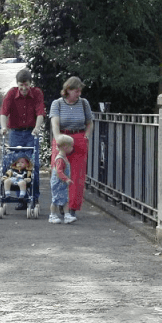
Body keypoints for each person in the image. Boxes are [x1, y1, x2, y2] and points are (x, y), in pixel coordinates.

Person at [0, 68, 46, 210]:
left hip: (31, 133)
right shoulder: (11, 94)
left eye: (26, 85)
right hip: (16, 133)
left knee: (33, 165)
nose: (24, 88)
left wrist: (37, 128)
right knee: (17, 165)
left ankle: (34, 197)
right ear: (17, 84)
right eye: (21, 85)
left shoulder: (37, 93)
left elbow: (40, 113)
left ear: (30, 83)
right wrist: (3, 127)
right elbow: (3, 112)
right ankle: (22, 198)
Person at [50, 76, 93, 223]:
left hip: (78, 138)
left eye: (80, 91)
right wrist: (58, 140)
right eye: (76, 91)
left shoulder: (83, 103)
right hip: (62, 138)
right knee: (59, 173)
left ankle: (72, 208)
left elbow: (89, 123)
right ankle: (60, 205)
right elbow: (55, 124)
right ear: (67, 89)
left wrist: (86, 136)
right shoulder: (57, 104)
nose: (78, 94)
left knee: (77, 175)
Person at [49, 134, 74, 224]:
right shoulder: (60, 159)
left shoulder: (64, 158)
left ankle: (67, 215)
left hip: (62, 183)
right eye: (71, 146)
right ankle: (52, 215)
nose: (72, 148)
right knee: (55, 199)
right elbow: (59, 172)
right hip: (58, 183)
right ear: (64, 147)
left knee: (65, 199)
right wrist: (66, 179)